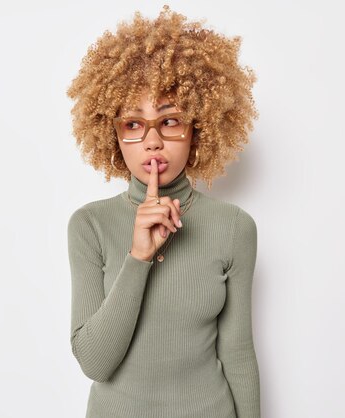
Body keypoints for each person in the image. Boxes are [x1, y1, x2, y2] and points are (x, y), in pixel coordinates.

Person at [66, 5, 260, 418]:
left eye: (170, 121)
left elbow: (239, 353)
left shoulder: (234, 228)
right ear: (112, 134)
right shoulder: (89, 226)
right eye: (133, 124)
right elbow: (95, 363)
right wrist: (138, 258)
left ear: (199, 127)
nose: (152, 141)